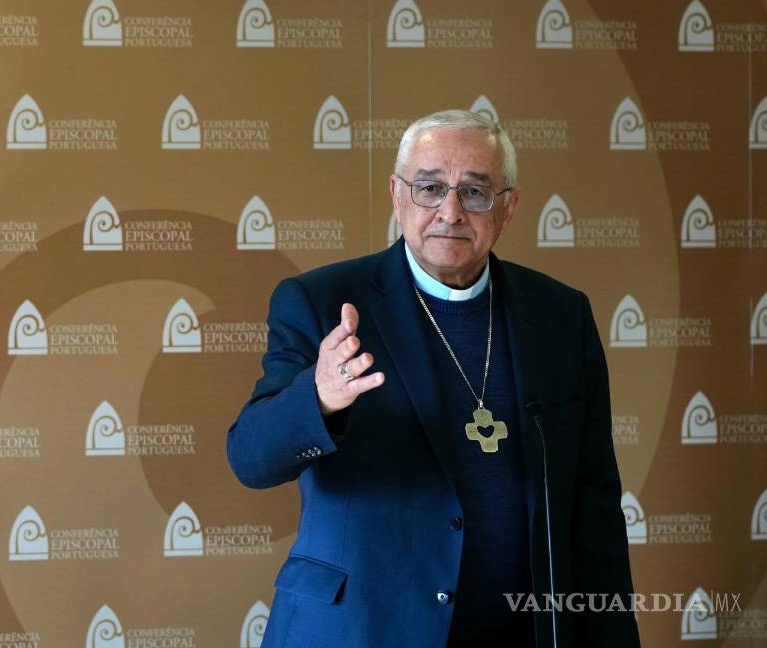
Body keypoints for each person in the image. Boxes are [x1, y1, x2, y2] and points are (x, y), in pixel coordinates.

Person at [227, 110, 638, 647]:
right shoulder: (322, 301)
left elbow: (594, 505)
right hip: (363, 629)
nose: (450, 211)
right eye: (430, 188)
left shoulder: (561, 316)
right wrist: (320, 397)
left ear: (508, 207)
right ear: (398, 196)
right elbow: (251, 458)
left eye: (474, 192)